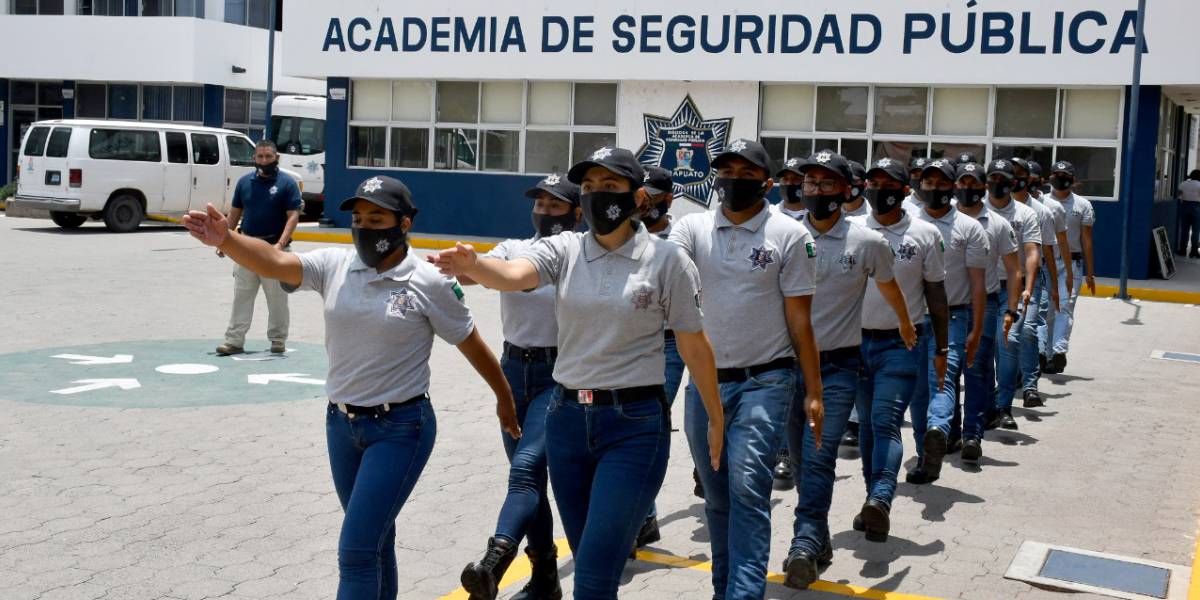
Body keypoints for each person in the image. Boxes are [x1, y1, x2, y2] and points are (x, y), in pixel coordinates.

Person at [182, 176, 521, 600]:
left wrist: (504, 398)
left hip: (401, 428)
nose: (364, 227)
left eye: (376, 219)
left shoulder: (429, 281)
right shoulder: (336, 265)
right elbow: (275, 262)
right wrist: (227, 239)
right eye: (358, 219)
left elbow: (471, 343)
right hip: (342, 426)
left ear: (404, 223)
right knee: (375, 539)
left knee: (357, 549)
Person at [430, 147, 725, 600]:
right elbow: (515, 274)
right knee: (589, 562)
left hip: (633, 426)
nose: (595, 195)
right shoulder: (565, 249)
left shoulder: (668, 261)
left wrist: (715, 417)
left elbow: (692, 343)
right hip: (567, 421)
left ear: (638, 196)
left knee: (593, 577)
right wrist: (476, 266)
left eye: (609, 186)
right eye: (588, 187)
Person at [669, 139, 822, 600]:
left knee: (748, 488)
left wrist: (813, 390)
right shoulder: (691, 228)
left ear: (767, 183)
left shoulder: (790, 235)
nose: (733, 180)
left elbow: (800, 321)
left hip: (766, 380)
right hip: (705, 385)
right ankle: (724, 589)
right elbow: (666, 277)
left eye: (746, 173)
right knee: (716, 495)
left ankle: (744, 593)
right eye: (726, 171)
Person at [777, 150, 915, 589]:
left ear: (846, 190)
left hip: (836, 368)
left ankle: (803, 542)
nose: (815, 190)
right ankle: (818, 538)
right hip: (783, 368)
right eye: (809, 183)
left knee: (819, 456)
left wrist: (905, 322)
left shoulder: (866, 242)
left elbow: (889, 286)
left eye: (826, 184)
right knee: (800, 459)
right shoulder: (781, 234)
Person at [459, 174, 581, 600]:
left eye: (555, 206)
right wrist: (459, 264)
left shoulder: (580, 254)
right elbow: (475, 273)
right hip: (513, 372)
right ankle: (545, 578)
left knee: (525, 468)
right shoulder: (513, 249)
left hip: (559, 374)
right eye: (540, 205)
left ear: (577, 213)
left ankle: (496, 559)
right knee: (528, 481)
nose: (544, 212)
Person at [852, 157, 949, 525]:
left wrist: (942, 349)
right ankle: (871, 500)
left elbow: (936, 293)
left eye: (888, 185)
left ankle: (881, 496)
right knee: (866, 424)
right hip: (853, 343)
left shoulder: (925, 234)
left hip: (902, 344)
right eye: (873, 184)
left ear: (905, 191)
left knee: (885, 420)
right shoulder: (852, 228)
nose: (879, 191)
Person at [907, 159, 989, 482]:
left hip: (953, 317)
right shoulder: (907, 221)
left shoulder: (969, 228)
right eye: (928, 183)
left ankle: (939, 429)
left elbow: (978, 284)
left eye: (941, 183)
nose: (934, 188)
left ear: (952, 187)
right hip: (913, 319)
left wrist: (977, 329)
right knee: (918, 392)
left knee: (942, 378)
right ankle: (926, 454)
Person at [950, 163, 1021, 463]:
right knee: (948, 371)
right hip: (948, 307)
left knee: (976, 370)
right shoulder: (942, 220)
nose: (967, 188)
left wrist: (1012, 309)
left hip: (985, 305)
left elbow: (1014, 269)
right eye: (962, 182)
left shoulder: (998, 224)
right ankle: (950, 430)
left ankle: (972, 434)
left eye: (973, 183)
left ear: (983, 187)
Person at [635, 164, 686, 543]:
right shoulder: (621, 234)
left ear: (668, 199)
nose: (642, 204)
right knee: (638, 428)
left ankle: (640, 516)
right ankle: (644, 516)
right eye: (637, 195)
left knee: (650, 424)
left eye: (650, 198)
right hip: (631, 339)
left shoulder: (681, 240)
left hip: (671, 342)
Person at [215, 140, 302, 356]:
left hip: (274, 249)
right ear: (254, 158)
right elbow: (234, 214)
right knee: (242, 296)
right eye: (260, 156)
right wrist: (224, 241)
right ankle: (234, 341)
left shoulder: (287, 183)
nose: (264, 161)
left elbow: (293, 217)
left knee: (277, 298)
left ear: (277, 158)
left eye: (268, 156)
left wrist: (280, 245)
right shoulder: (245, 182)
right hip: (246, 248)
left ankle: (278, 340)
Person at [984, 159, 1041, 431]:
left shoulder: (1025, 214)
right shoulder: (975, 210)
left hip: (1012, 288)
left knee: (1009, 341)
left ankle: (1003, 406)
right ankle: (985, 404)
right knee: (983, 349)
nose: (997, 184)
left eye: (1003, 179)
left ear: (1013, 183)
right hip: (980, 289)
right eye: (993, 178)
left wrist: (1028, 286)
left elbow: (1032, 251)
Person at [1009, 158, 1062, 408]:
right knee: (1007, 335)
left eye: (1021, 173)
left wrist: (1055, 288)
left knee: (1028, 330)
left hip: (1031, 280)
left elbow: (1048, 251)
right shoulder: (991, 208)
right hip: (1000, 281)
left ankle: (1030, 385)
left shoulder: (1041, 212)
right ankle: (1008, 380)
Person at [1045, 161, 1097, 374]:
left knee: (1065, 306)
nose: (1061, 179)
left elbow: (1087, 240)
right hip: (1045, 263)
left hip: (1072, 265)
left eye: (1065, 175)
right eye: (1057, 174)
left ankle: (1059, 351)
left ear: (1073, 180)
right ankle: (1045, 354)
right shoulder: (1041, 202)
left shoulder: (1082, 205)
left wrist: (1090, 273)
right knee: (1047, 311)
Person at [1177, 169, 1200, 258]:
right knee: (1196, 231)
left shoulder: (1183, 184)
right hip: (1197, 207)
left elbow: (1179, 195)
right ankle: (1194, 251)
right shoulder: (1199, 184)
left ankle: (1182, 250)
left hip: (1185, 206)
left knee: (1184, 230)